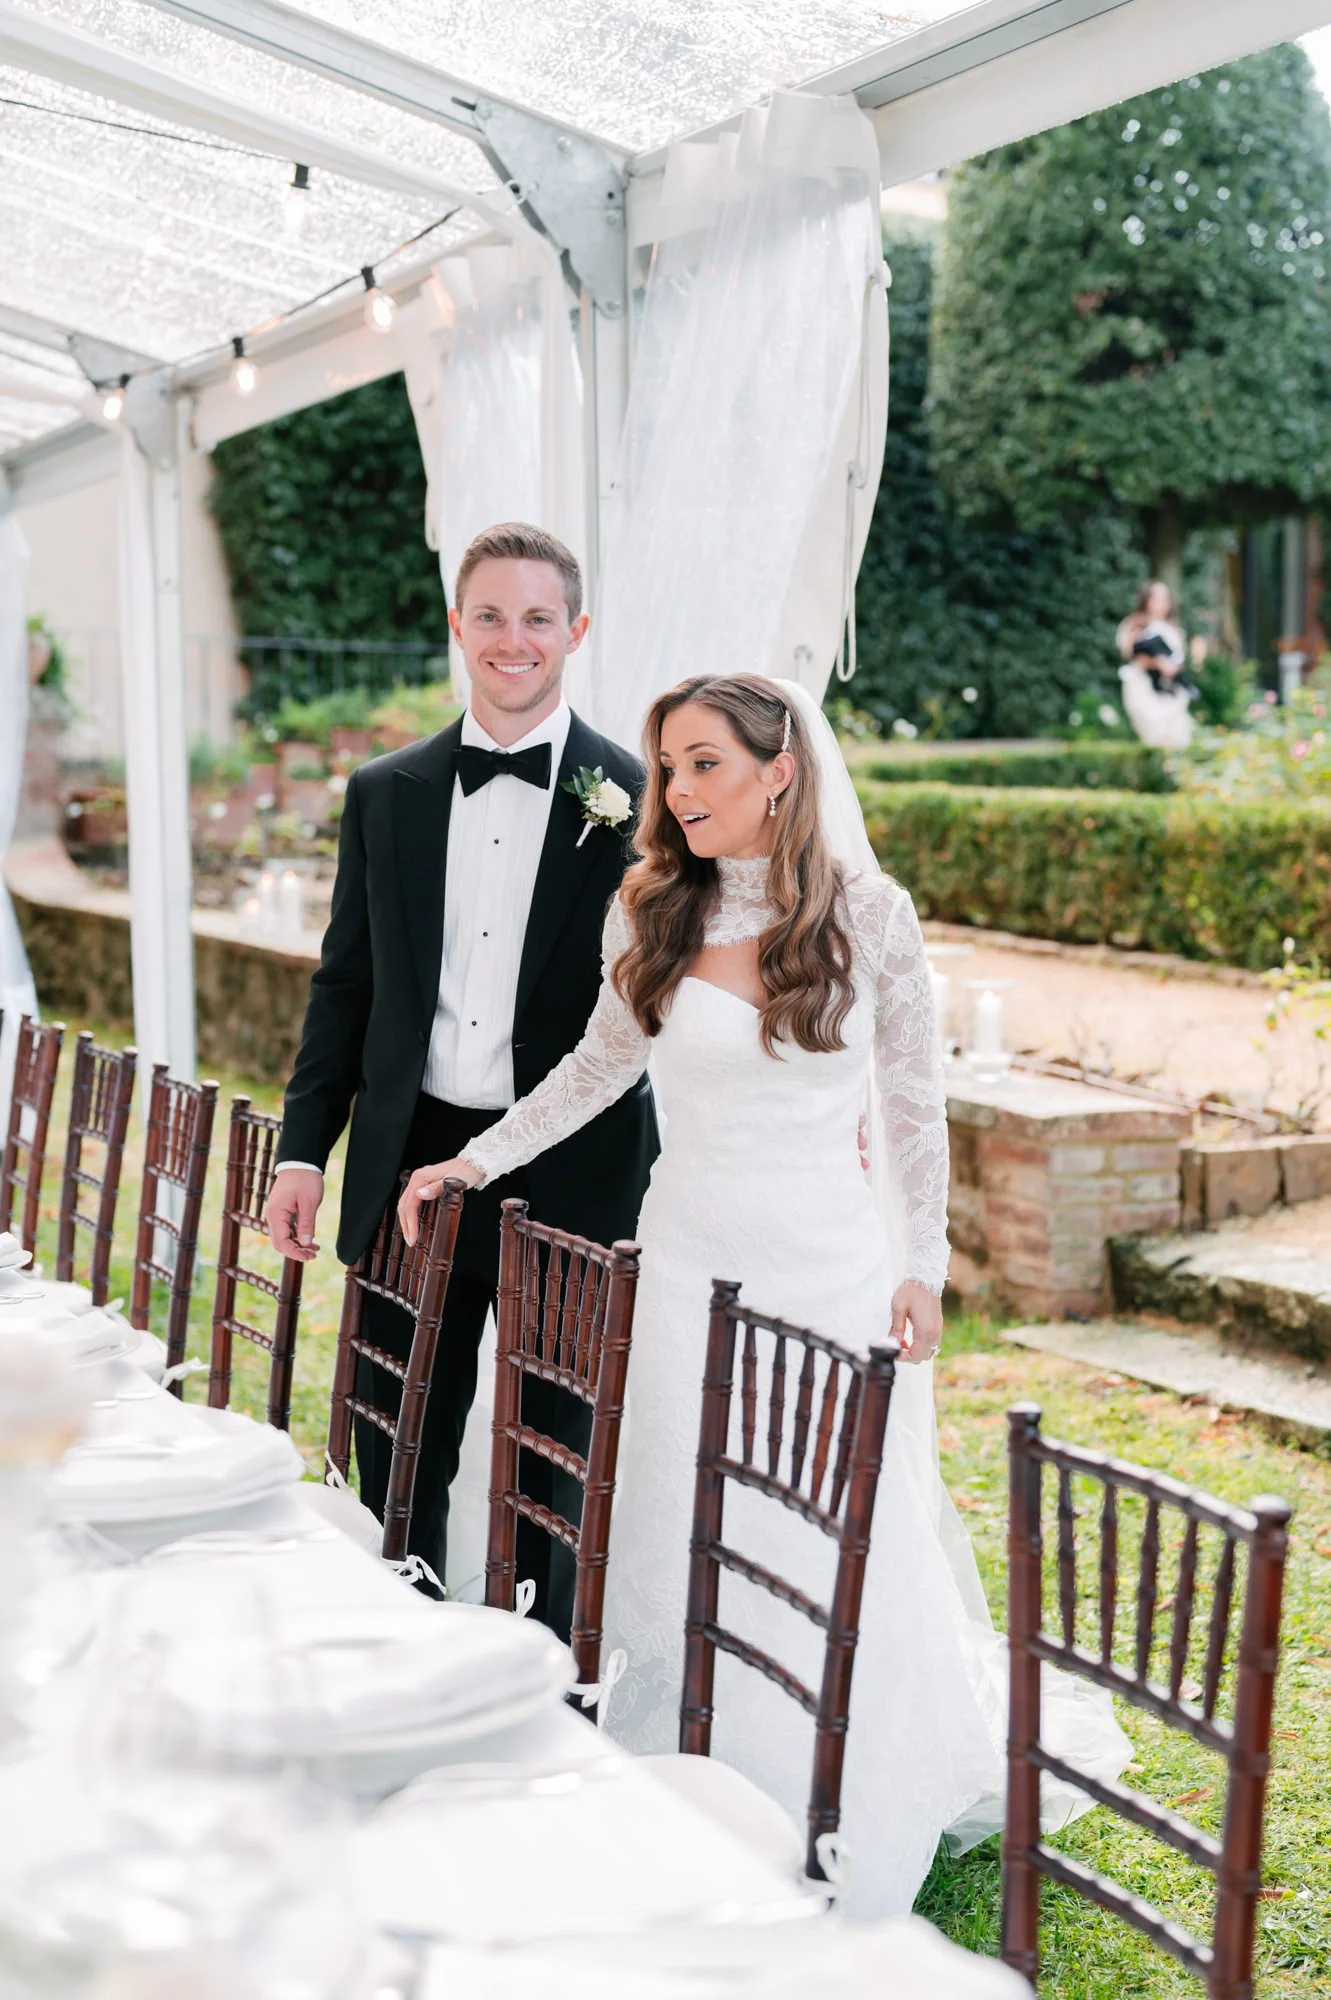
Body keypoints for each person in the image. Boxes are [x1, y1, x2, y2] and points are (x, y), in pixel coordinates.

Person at [399, 672, 1129, 1916]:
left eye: (702, 766)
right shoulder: (650, 910)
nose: (673, 793)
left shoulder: (871, 916)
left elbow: (911, 1107)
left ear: (777, 769)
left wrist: (920, 1261)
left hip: (831, 1270)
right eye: (667, 768)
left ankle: (837, 1769)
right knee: (691, 1512)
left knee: (825, 1522)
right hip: (686, 1258)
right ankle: (694, 1755)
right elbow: (593, 1068)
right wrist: (474, 1156)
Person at [264, 522, 659, 1627]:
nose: (512, 638)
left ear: (574, 632)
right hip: (409, 1164)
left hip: (571, 1171)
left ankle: (534, 1704)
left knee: (551, 1461)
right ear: (456, 623)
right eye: (489, 613)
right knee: (390, 1443)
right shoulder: (383, 792)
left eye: (538, 617)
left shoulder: (639, 801)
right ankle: (397, 1656)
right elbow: (344, 989)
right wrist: (305, 1147)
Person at [1116, 579, 1194, 748]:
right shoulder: (1135, 624)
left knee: (1177, 736)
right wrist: (1157, 663)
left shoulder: (1173, 629)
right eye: (1156, 597)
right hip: (1144, 688)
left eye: (1165, 598)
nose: (1162, 603)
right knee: (1153, 736)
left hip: (1169, 691)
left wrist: (1172, 667)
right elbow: (1130, 654)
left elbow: (1179, 659)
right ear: (1146, 599)